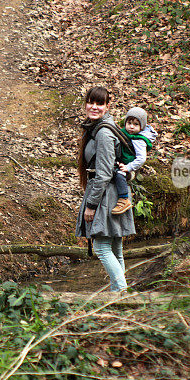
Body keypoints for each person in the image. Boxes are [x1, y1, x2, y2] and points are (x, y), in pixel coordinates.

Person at [75, 86, 135, 292]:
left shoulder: (103, 133)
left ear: (107, 106)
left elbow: (103, 174)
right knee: (116, 249)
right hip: (111, 192)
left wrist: (90, 205)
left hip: (106, 195)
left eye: (99, 103)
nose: (94, 107)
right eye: (90, 102)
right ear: (85, 103)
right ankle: (121, 293)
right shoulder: (98, 128)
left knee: (102, 248)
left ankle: (120, 292)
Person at [112, 107, 157, 215]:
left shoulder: (139, 140)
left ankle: (124, 199)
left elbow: (141, 158)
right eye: (129, 122)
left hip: (130, 168)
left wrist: (129, 167)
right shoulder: (125, 133)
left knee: (119, 175)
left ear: (141, 126)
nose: (131, 126)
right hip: (122, 162)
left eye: (136, 124)